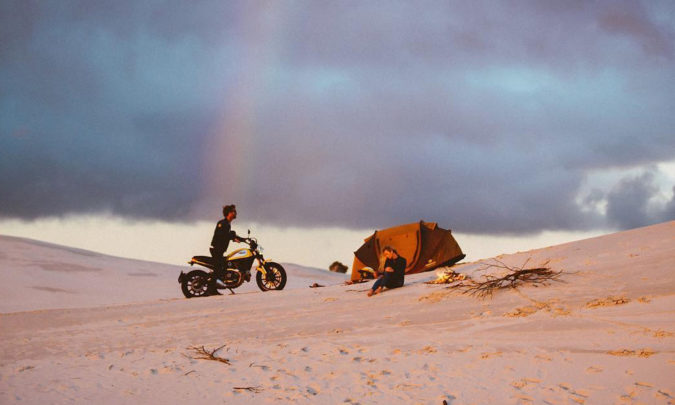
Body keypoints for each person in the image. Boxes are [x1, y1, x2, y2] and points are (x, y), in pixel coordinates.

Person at [210, 204, 242, 272]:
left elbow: (228, 234)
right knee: (219, 271)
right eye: (233, 211)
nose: (235, 213)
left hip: (220, 250)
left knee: (224, 268)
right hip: (217, 250)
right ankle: (214, 278)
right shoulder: (222, 223)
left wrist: (242, 238)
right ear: (229, 213)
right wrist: (233, 238)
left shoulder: (227, 224)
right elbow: (222, 234)